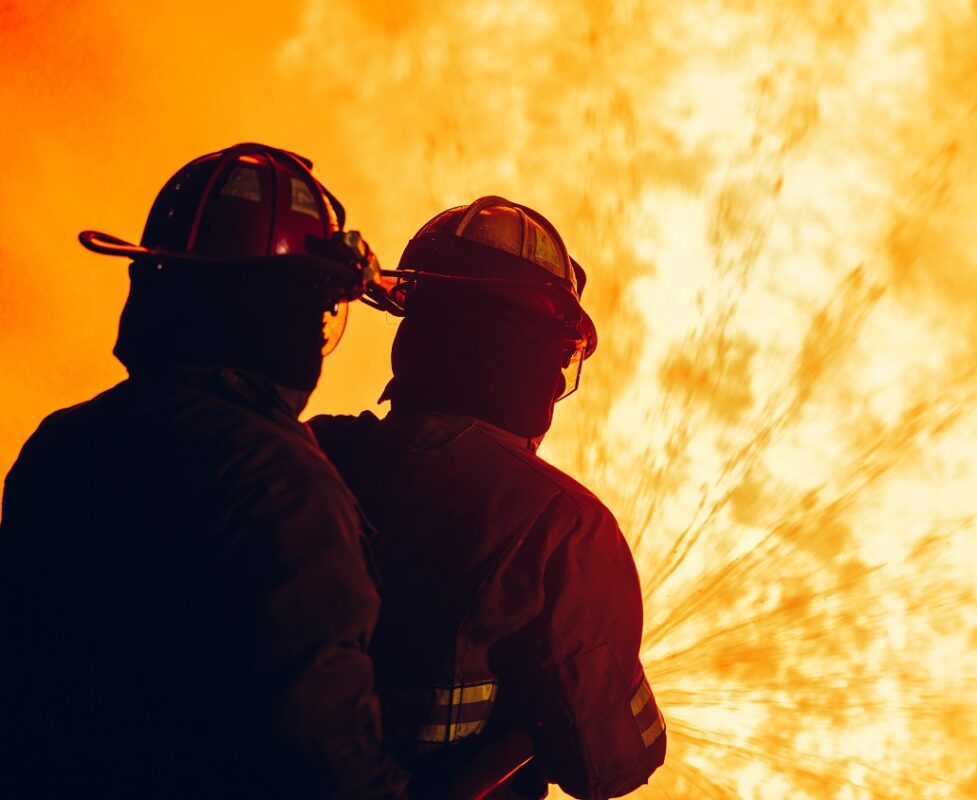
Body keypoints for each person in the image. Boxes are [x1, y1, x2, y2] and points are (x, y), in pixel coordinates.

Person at [0, 143, 409, 799]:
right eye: (318, 310)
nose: (318, 334)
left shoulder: (62, 442)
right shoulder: (285, 485)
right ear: (284, 312)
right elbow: (323, 760)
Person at [310, 197, 666, 800]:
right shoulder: (565, 525)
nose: (559, 379)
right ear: (528, 351)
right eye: (560, 355)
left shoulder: (307, 454)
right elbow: (610, 766)